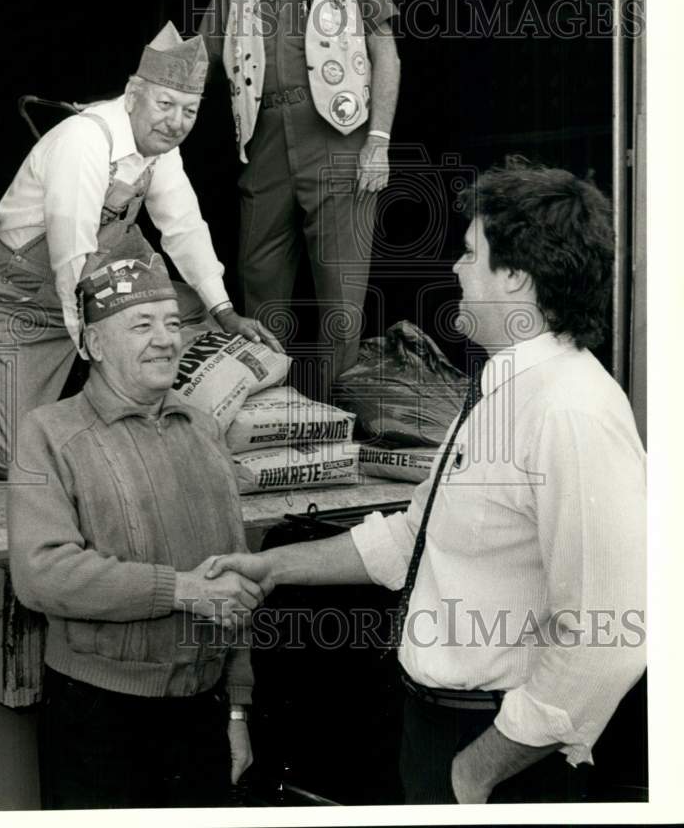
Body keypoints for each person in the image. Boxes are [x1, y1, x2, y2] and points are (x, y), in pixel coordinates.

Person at [207, 161, 647, 804]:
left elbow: (608, 639)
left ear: (517, 276)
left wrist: (477, 772)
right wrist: (270, 566)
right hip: (437, 730)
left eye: (472, 254)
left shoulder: (570, 410)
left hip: (505, 756)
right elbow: (414, 537)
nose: (455, 270)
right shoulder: (500, 388)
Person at [7, 250, 263, 809]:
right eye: (142, 325)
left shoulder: (202, 426)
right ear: (94, 345)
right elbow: (41, 573)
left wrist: (237, 710)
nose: (166, 339)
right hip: (99, 717)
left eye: (173, 324)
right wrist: (184, 590)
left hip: (203, 711)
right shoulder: (48, 433)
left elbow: (235, 578)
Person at [0, 21, 280, 478]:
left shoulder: (161, 148)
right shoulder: (86, 139)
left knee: (190, 304)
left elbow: (184, 227)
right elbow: (71, 252)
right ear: (133, 94)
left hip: (89, 284)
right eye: (165, 104)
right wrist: (95, 342)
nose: (175, 122)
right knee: (11, 461)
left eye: (189, 110)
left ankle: (142, 421)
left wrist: (224, 311)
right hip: (24, 296)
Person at [198, 0, 401, 394]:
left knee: (341, 295)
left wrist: (377, 141)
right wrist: (131, 101)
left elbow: (387, 49)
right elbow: (195, 66)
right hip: (264, 144)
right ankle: (268, 414)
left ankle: (339, 422)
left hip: (338, 139)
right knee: (259, 283)